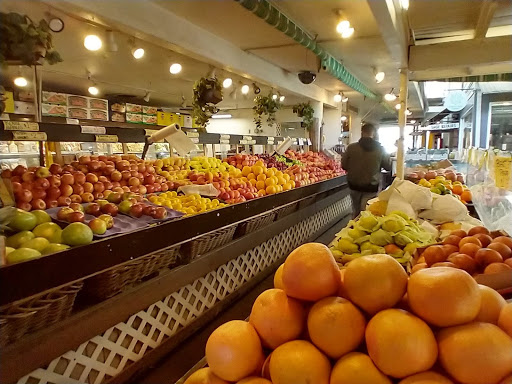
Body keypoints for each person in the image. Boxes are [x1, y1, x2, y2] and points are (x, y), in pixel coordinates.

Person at [342, 123, 391, 218]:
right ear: (374, 133)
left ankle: (353, 229)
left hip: (354, 185)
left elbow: (344, 165)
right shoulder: (380, 149)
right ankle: (361, 229)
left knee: (356, 211)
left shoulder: (351, 148)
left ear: (362, 132)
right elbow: (388, 167)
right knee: (366, 213)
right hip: (371, 186)